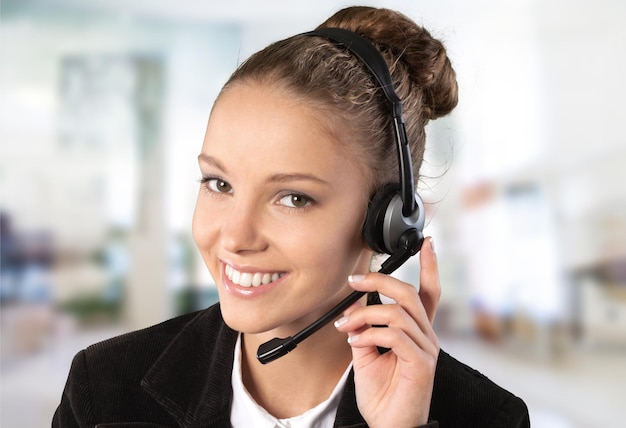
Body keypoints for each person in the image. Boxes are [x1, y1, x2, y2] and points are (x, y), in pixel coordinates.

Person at [53, 6, 530, 427]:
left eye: (293, 198)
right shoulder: (104, 388)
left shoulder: (488, 417)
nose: (235, 237)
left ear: (389, 223)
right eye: (219, 184)